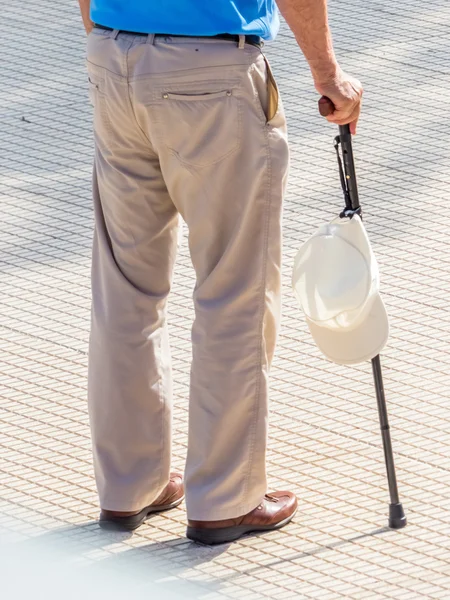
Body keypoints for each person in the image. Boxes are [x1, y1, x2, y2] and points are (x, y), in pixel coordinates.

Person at [78, 0, 362, 545]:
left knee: (124, 289)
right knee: (235, 289)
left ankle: (129, 486)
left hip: (114, 58)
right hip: (211, 72)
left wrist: (108, 40)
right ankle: (225, 498)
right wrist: (329, 75)